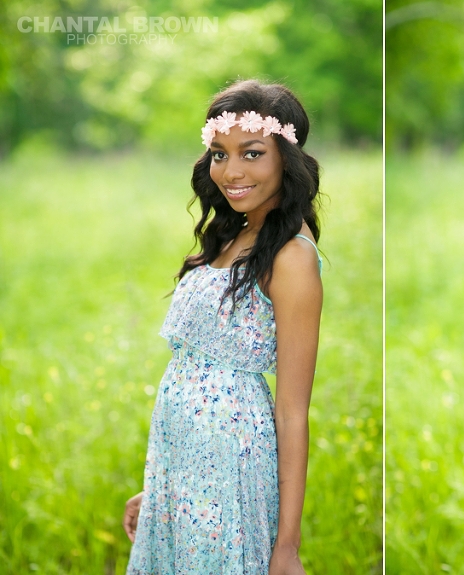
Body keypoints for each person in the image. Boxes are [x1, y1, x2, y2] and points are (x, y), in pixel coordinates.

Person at [122, 79, 323, 575]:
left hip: (231, 464)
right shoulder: (233, 232)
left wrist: (287, 548)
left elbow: (293, 412)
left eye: (251, 154)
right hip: (183, 465)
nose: (231, 171)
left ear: (286, 158)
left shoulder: (292, 257)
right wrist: (161, 485)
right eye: (219, 154)